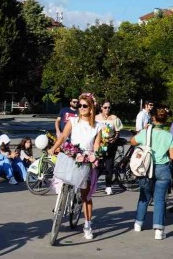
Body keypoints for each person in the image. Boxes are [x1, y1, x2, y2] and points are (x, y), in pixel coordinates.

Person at [51, 93, 102, 240]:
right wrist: (54, 147)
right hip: (71, 155)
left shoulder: (97, 126)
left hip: (86, 159)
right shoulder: (73, 121)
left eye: (84, 106)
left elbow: (97, 145)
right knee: (64, 180)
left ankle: (87, 225)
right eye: (79, 105)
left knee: (86, 196)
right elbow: (63, 137)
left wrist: (95, 155)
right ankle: (60, 205)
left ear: (91, 108)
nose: (81, 108)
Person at [131, 105, 173, 240]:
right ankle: (158, 230)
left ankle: (138, 223)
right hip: (162, 169)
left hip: (145, 169)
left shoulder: (145, 132)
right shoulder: (169, 136)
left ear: (152, 118)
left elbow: (132, 141)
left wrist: (144, 131)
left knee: (144, 196)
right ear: (165, 119)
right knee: (160, 200)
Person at [95, 100, 123, 195]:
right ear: (101, 108)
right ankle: (93, 184)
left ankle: (108, 186)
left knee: (109, 165)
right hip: (99, 144)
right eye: (105, 107)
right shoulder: (96, 118)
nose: (107, 109)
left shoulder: (114, 118)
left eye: (109, 107)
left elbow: (118, 132)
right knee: (98, 165)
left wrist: (114, 139)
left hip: (110, 144)